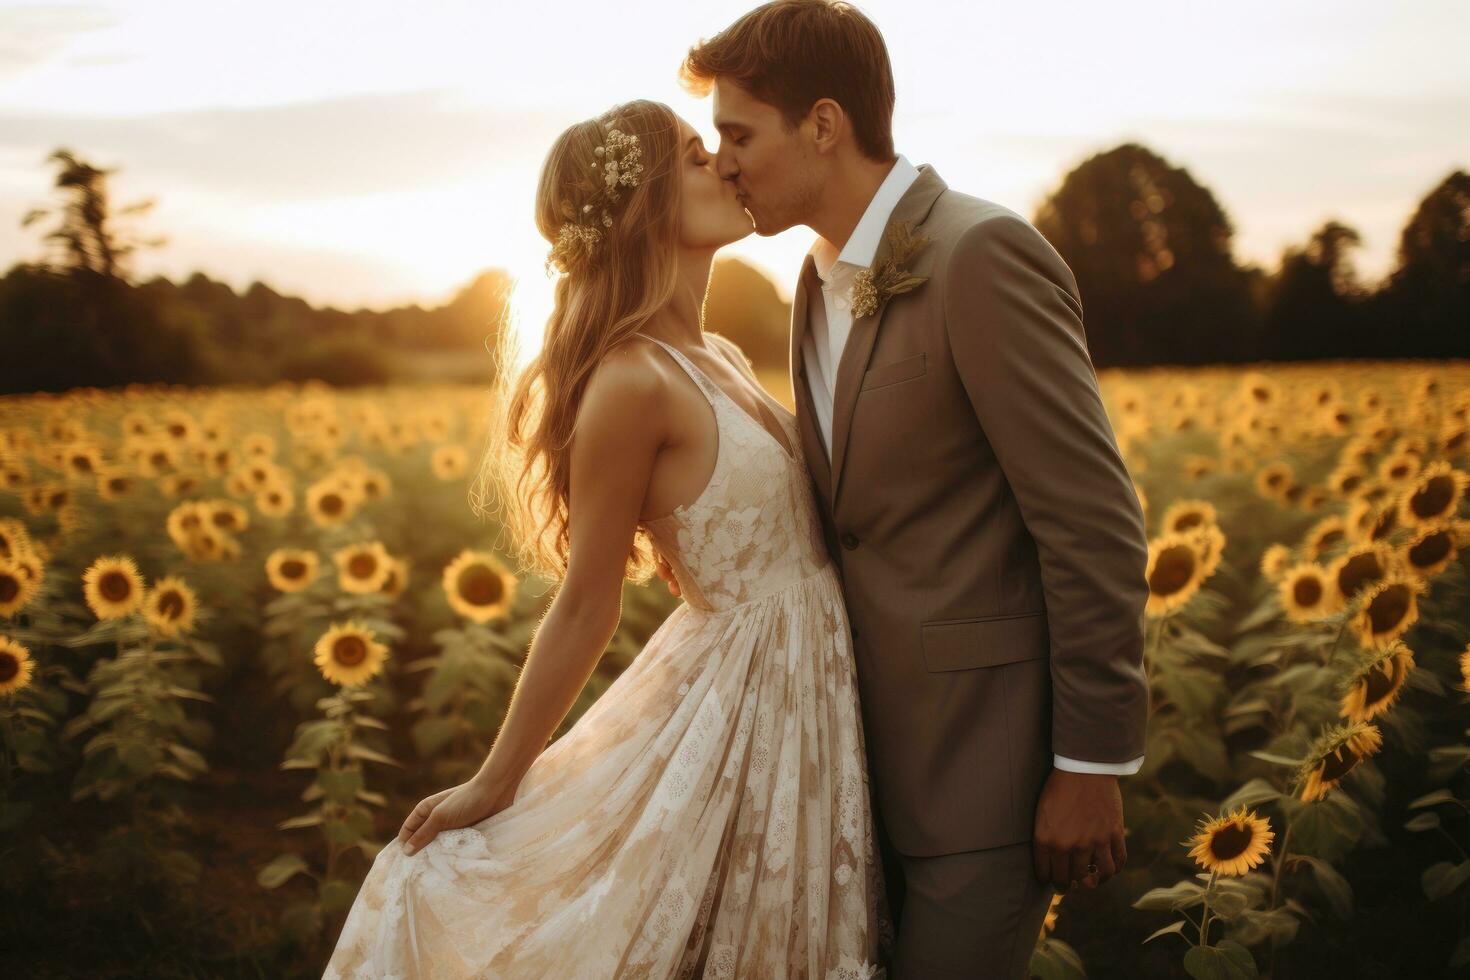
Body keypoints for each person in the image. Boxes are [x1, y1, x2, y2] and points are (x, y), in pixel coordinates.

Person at [323, 98, 891, 978]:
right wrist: (496, 780)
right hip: (738, 699)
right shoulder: (632, 381)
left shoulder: (722, 356)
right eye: (700, 157)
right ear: (646, 204)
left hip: (798, 681)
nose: (728, 167)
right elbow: (588, 601)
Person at [655, 2, 1153, 977]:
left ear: (825, 125)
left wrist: (1091, 766)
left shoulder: (981, 254)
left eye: (739, 133)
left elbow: (1093, 524)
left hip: (989, 781)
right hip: (851, 775)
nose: (723, 162)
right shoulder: (811, 282)